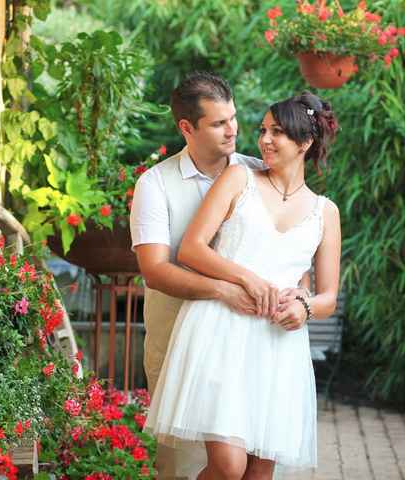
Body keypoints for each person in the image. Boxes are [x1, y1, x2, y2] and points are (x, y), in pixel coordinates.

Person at [143, 91, 342, 480]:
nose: (264, 139)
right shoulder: (240, 178)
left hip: (277, 346)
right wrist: (248, 278)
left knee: (260, 468)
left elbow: (327, 297)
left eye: (279, 132)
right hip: (220, 331)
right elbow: (191, 250)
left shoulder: (325, 212)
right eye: (263, 130)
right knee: (229, 466)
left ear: (305, 142)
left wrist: (304, 307)